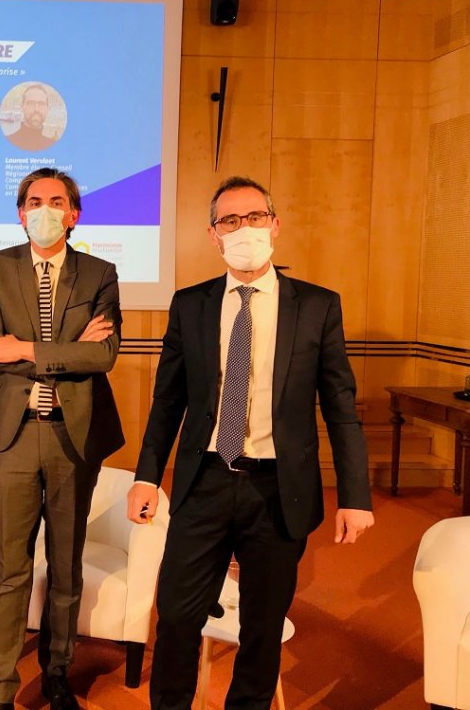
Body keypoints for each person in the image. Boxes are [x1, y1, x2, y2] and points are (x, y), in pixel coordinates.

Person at [126, 176, 375, 710]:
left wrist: (355, 495)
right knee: (177, 615)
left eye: (255, 217)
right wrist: (147, 475)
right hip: (205, 481)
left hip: (278, 488)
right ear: (214, 235)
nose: (244, 229)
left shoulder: (317, 306)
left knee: (262, 626)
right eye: (230, 221)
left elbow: (339, 405)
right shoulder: (190, 304)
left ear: (275, 225)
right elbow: (167, 401)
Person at [0, 168, 123, 710]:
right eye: (34, 201)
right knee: (9, 569)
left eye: (55, 201)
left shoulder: (100, 273)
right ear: (20, 212)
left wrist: (27, 349)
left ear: (73, 214)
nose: (44, 209)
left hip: (72, 436)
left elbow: (103, 355)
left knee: (66, 564)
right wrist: (65, 349)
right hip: (12, 436)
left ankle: (57, 671)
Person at [7, 84, 57, 151]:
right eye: (31, 103)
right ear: (22, 107)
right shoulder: (9, 141)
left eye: (41, 104)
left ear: (47, 108)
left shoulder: (52, 144)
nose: (36, 109)